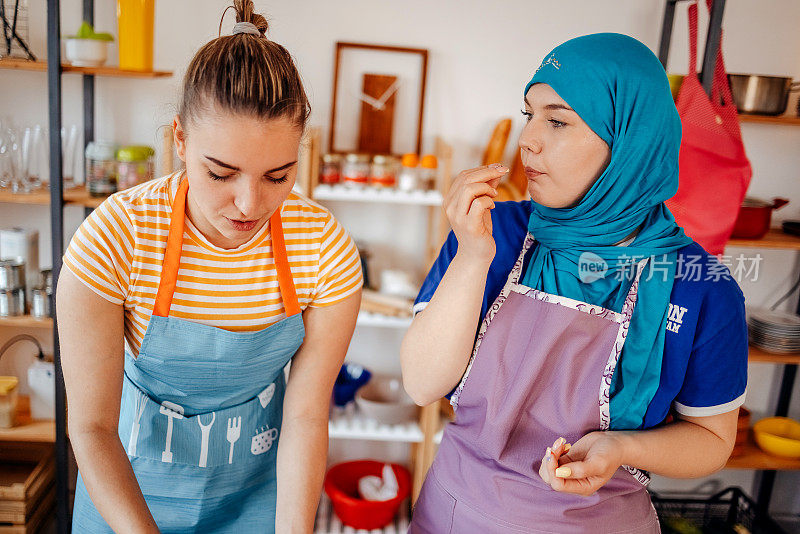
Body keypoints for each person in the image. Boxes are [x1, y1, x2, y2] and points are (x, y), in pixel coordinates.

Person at [402, 33, 747, 533]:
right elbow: (421, 383)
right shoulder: (491, 233)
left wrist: (621, 447)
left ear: (629, 139)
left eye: (558, 120)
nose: (528, 139)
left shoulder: (703, 286)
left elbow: (713, 438)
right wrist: (474, 258)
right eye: (530, 114)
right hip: (454, 516)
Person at [57, 2, 362, 532]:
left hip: (255, 499)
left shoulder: (321, 246)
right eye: (221, 173)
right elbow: (91, 428)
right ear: (180, 140)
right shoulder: (116, 237)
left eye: (278, 175)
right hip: (127, 497)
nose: (249, 205)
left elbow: (308, 416)